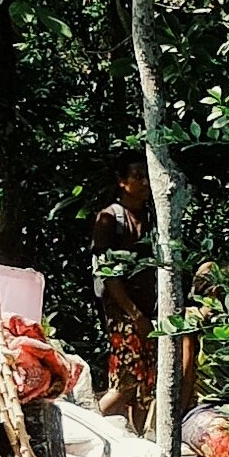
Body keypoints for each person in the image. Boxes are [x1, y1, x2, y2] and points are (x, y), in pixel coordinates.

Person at [92, 151, 155, 428]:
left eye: (146, 177)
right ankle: (88, 428)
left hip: (149, 314)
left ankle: (138, 446)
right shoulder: (109, 218)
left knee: (145, 387)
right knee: (126, 383)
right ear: (122, 181)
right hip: (124, 316)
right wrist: (134, 314)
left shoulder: (152, 219)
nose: (144, 183)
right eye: (137, 176)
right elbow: (107, 274)